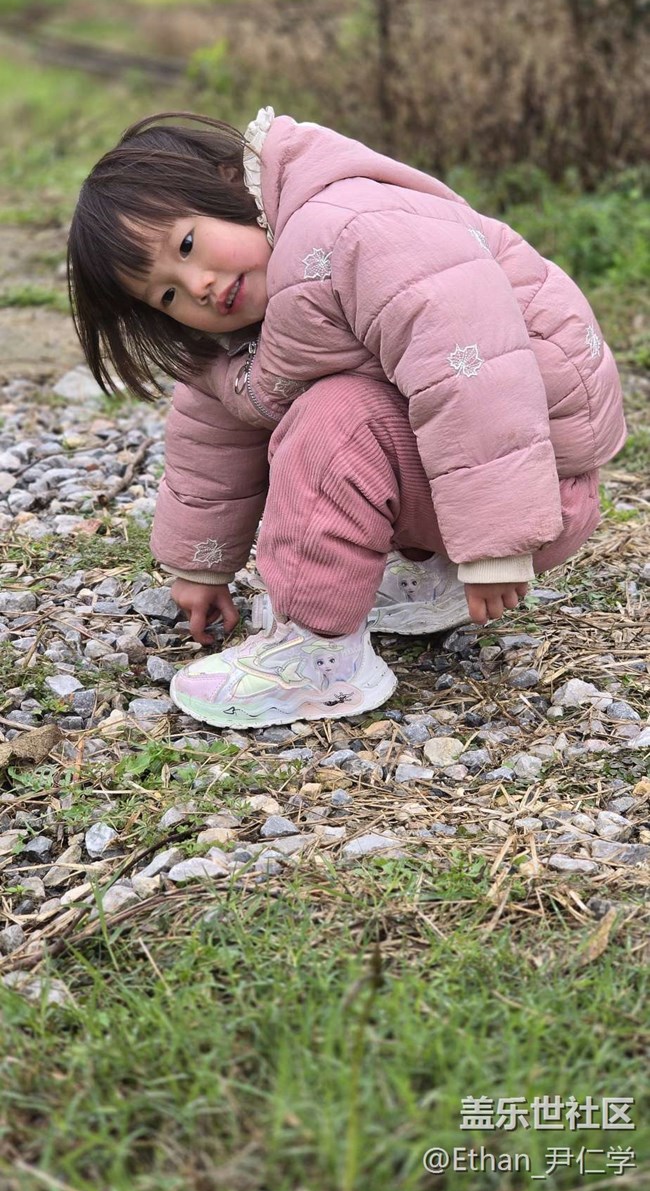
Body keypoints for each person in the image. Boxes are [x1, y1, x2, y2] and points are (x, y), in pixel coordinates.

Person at [67, 106, 626, 729]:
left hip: (542, 483)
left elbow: (473, 372)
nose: (198, 285)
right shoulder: (244, 323)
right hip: (466, 492)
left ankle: (319, 653)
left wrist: (497, 543)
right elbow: (210, 438)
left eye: (188, 245)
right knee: (311, 408)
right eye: (168, 294)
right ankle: (426, 578)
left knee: (334, 418)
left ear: (229, 185)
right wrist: (201, 564)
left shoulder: (350, 230)